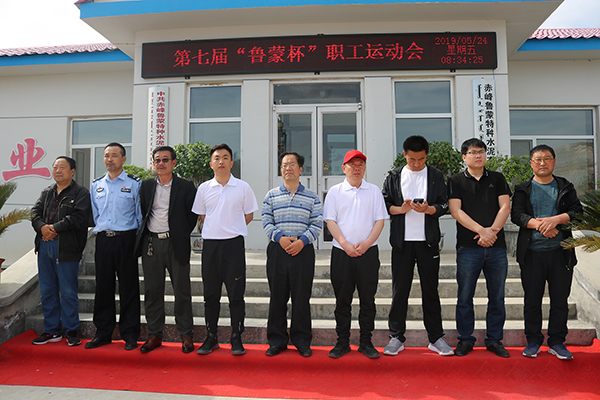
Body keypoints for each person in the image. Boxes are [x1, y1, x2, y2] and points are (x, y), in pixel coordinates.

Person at [381, 135, 453, 356]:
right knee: (399, 291)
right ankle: (396, 337)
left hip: (427, 242)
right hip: (402, 243)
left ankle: (436, 338)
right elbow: (384, 204)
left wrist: (429, 210)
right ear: (404, 155)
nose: (417, 164)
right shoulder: (394, 176)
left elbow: (445, 204)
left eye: (421, 159)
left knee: (430, 291)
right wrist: (400, 209)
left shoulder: (435, 175)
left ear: (426, 156)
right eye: (412, 159)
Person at [511, 144, 583, 360]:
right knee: (532, 300)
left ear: (554, 161)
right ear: (531, 163)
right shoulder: (522, 189)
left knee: (560, 300)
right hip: (532, 254)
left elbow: (577, 212)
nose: (542, 163)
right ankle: (533, 341)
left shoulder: (565, 186)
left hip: (561, 253)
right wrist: (543, 226)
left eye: (547, 158)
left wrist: (556, 220)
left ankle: (557, 342)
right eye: (538, 159)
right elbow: (517, 215)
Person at [447, 138, 512, 357]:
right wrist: (481, 231)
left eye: (482, 152)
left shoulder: (497, 178)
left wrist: (492, 232)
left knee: (497, 297)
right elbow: (456, 211)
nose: (478, 156)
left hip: (496, 247)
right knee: (465, 296)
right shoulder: (455, 180)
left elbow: (505, 207)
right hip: (468, 247)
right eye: (473, 152)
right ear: (464, 157)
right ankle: (465, 339)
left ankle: (494, 340)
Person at [192, 143, 258, 355]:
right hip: (211, 246)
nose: (221, 161)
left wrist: (231, 228)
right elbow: (203, 216)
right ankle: (211, 337)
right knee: (210, 295)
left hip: (233, 245)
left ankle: (236, 337)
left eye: (225, 157)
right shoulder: (204, 189)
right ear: (211, 164)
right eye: (217, 158)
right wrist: (218, 228)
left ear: (231, 162)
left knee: (236, 295)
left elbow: (249, 215)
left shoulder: (243, 187)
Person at [323, 150, 389, 359]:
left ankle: (366, 342)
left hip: (368, 253)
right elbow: (330, 221)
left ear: (365, 168)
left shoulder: (374, 191)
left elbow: (380, 220)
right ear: (344, 168)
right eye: (352, 164)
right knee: (342, 300)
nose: (357, 168)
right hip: (341, 253)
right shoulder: (335, 191)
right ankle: (342, 342)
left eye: (361, 164)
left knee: (368, 300)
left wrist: (367, 244)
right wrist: (344, 244)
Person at [134, 146, 198, 354]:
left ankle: (186, 334)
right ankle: (154, 334)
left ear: (174, 163)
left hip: (175, 243)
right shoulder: (146, 186)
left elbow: (192, 214)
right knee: (152, 290)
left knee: (182, 290)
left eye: (165, 160)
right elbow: (142, 212)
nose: (160, 163)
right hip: (151, 244)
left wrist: (181, 233)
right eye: (157, 160)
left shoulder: (186, 186)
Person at [261, 152, 322, 357]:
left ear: (300, 169)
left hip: (303, 250)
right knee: (277, 297)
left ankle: (301, 340)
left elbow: (317, 223)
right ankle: (277, 340)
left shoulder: (312, 196)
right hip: (278, 249)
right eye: (284, 165)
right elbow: (266, 221)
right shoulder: (271, 195)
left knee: (301, 297)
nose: (288, 168)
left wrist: (302, 241)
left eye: (292, 164)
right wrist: (280, 238)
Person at [86, 142, 142, 351]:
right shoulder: (96, 185)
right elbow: (96, 214)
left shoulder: (134, 184)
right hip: (103, 240)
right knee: (103, 287)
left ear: (123, 159)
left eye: (114, 155)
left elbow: (139, 215)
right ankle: (103, 333)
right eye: (106, 155)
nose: (109, 159)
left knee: (129, 287)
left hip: (126, 239)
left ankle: (130, 334)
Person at [31, 156, 91, 346]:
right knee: (47, 291)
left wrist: (54, 228)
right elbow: (34, 213)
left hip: (66, 248)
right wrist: (42, 228)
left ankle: (71, 330)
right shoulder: (47, 192)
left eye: (62, 167)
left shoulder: (81, 192)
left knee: (67, 291)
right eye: (55, 167)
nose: (57, 170)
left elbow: (79, 217)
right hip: (45, 247)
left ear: (72, 171)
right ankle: (52, 330)